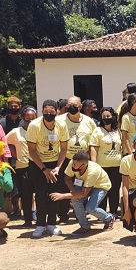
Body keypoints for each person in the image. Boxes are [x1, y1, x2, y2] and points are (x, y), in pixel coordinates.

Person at [26, 100, 69, 238]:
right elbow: (32, 151)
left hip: (55, 164)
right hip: (38, 164)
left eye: (51, 112)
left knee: (54, 194)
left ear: (56, 112)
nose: (48, 114)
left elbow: (63, 149)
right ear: (42, 111)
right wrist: (44, 170)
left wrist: (57, 167)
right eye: (46, 112)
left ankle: (51, 224)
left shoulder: (62, 125)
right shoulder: (34, 126)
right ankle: (40, 224)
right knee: (40, 194)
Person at [50, 150, 114, 235]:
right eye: (73, 163)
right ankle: (84, 227)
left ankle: (108, 218)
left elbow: (84, 193)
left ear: (83, 165)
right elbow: (67, 178)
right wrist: (73, 191)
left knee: (90, 208)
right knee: (75, 200)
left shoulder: (93, 171)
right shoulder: (73, 162)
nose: (72, 165)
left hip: (100, 186)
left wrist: (63, 196)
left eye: (75, 165)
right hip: (84, 183)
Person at [56, 96, 98, 224]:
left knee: (80, 187)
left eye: (74, 105)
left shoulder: (89, 121)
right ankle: (63, 215)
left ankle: (80, 213)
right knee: (63, 186)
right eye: (68, 105)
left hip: (82, 161)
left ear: (80, 107)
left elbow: (93, 143)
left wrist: (93, 162)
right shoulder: (59, 120)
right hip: (66, 159)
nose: (71, 108)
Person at [5, 106, 37, 227]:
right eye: (27, 119)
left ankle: (40, 218)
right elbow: (5, 142)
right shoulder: (16, 132)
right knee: (26, 194)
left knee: (39, 193)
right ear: (23, 118)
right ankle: (27, 220)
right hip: (22, 166)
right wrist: (14, 154)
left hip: (38, 166)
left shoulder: (39, 131)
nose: (30, 121)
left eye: (33, 119)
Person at [90, 107, 123, 218]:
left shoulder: (118, 131)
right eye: (104, 117)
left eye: (108, 116)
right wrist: (94, 165)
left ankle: (113, 211)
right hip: (102, 166)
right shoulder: (97, 131)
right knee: (102, 189)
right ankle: (102, 212)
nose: (106, 118)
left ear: (113, 117)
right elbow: (94, 148)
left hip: (117, 165)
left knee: (115, 189)